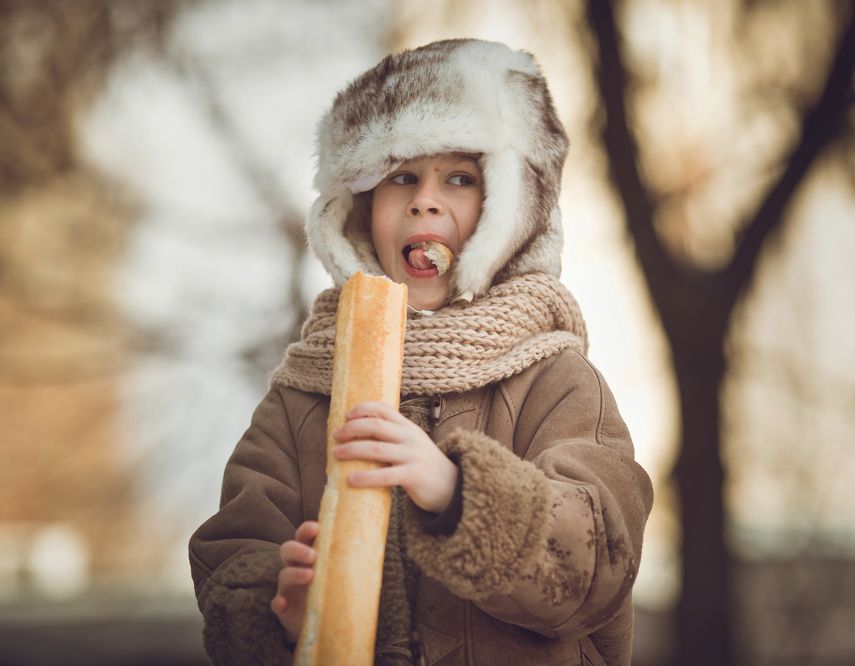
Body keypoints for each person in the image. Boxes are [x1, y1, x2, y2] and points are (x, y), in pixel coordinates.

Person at [188, 38, 654, 666]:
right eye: (400, 177)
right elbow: (229, 559)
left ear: (507, 212)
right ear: (357, 213)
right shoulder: (301, 397)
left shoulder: (559, 380)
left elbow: (596, 562)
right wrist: (282, 608)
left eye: (459, 179)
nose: (424, 200)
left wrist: (456, 490)